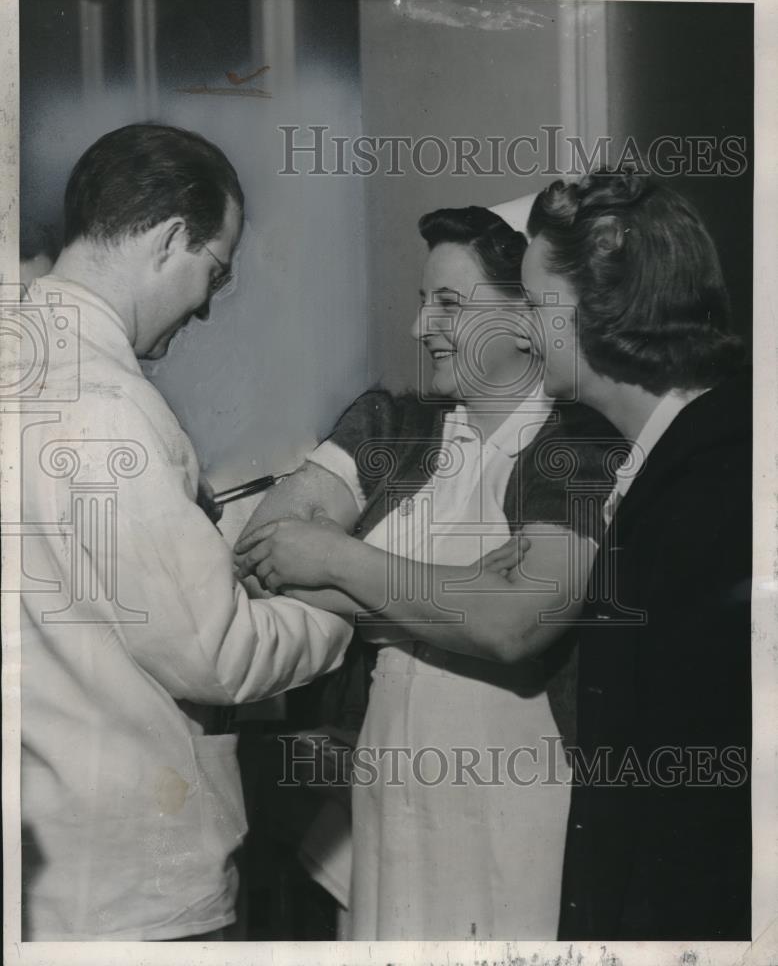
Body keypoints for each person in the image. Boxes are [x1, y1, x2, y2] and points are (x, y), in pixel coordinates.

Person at [235, 203, 625, 939]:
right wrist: (462, 597)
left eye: (449, 303)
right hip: (387, 783)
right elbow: (261, 555)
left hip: (519, 799)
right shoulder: (390, 427)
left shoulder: (578, 446)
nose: (421, 328)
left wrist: (340, 558)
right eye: (423, 302)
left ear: (526, 317)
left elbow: (514, 627)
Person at [18, 123, 353, 941]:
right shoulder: (110, 408)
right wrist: (345, 600)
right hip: (137, 897)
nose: (205, 305)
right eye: (214, 272)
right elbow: (219, 654)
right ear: (171, 238)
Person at [519, 170, 751, 939]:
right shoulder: (682, 459)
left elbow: (702, 814)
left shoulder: (719, 490)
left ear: (597, 308)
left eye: (533, 304)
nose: (522, 331)